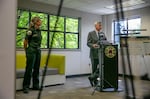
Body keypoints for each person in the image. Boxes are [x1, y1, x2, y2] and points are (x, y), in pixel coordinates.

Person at [23, 16, 42, 93]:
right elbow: (25, 42)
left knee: (36, 69)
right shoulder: (30, 30)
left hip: (38, 51)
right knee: (29, 69)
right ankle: (25, 87)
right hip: (31, 51)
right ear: (36, 22)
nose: (41, 22)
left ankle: (36, 86)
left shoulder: (39, 31)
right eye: (39, 21)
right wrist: (26, 51)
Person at [87, 21, 107, 87]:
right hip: (94, 54)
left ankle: (92, 77)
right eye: (99, 25)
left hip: (101, 54)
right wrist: (93, 45)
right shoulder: (91, 33)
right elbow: (88, 43)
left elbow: (105, 41)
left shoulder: (102, 33)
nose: (101, 27)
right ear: (95, 26)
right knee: (94, 68)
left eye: (101, 25)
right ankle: (95, 82)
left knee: (101, 68)